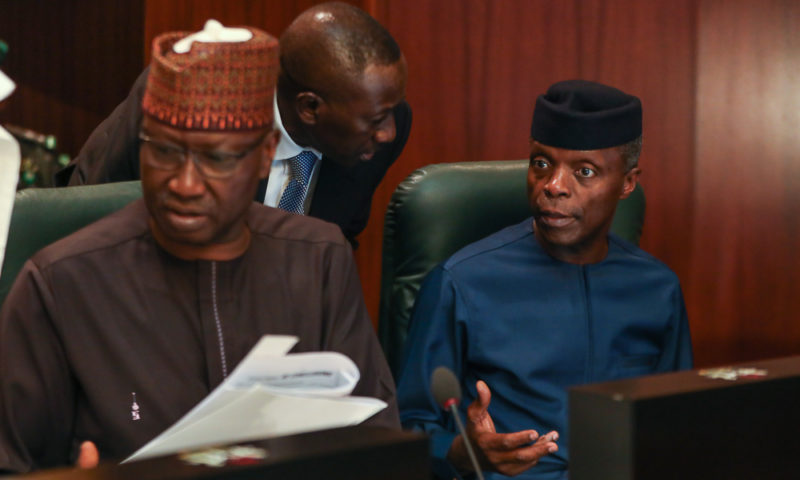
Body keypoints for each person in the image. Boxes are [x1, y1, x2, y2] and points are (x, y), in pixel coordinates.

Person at [0, 24, 398, 473]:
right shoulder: (60, 282)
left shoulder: (320, 260)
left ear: (266, 153)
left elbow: (378, 445)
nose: (185, 185)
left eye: (217, 159)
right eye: (164, 152)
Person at [396, 80, 693, 480]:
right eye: (541, 163)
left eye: (584, 172)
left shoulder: (658, 290)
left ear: (627, 182)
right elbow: (408, 427)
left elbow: (675, 423)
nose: (553, 186)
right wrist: (463, 451)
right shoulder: (460, 282)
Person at [55, 2, 410, 248]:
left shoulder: (379, 136)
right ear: (309, 108)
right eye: (377, 120)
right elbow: (91, 218)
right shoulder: (189, 99)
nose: (388, 132)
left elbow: (338, 237)